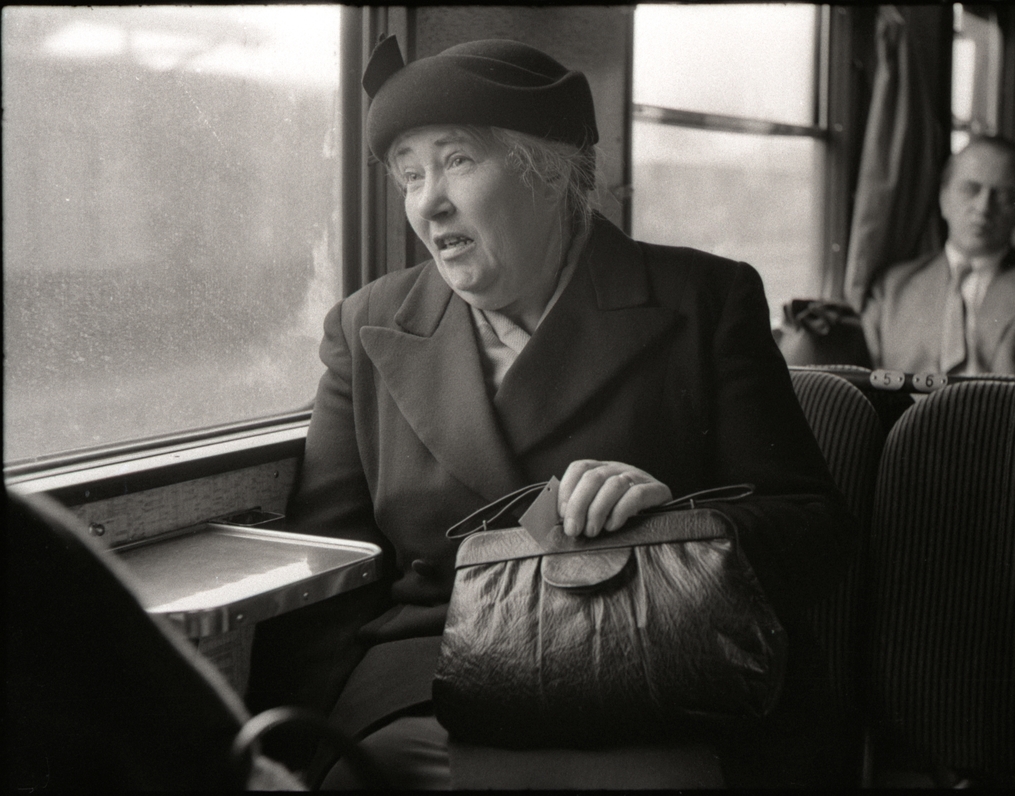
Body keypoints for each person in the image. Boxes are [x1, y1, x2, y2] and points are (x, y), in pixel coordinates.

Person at [247, 36, 856, 789]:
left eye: (457, 161)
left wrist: (675, 522)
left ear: (551, 171)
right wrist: (303, 755)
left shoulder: (706, 301)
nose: (428, 202)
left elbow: (813, 530)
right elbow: (325, 574)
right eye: (410, 175)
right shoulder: (366, 325)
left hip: (652, 667)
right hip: (428, 679)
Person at [861, 136, 1015, 381]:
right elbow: (861, 376)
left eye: (1003, 195)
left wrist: (975, 400)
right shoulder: (893, 287)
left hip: (1007, 408)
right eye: (970, 190)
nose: (983, 207)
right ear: (943, 198)